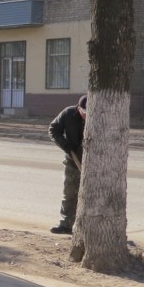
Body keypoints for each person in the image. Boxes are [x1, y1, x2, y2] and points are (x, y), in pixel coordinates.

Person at [47, 94, 87, 234]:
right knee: (70, 193)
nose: (86, 116)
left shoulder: (99, 116)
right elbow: (53, 129)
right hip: (72, 159)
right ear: (79, 108)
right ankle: (66, 224)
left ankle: (88, 226)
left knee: (92, 196)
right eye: (84, 112)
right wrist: (65, 145)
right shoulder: (68, 113)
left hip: (93, 164)